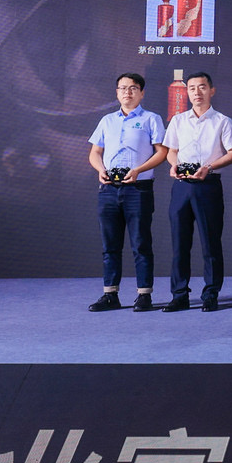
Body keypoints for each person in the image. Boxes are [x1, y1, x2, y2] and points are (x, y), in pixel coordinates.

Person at [86, 73, 168, 311]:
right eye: (122, 88)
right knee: (110, 245)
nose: (127, 92)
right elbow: (95, 153)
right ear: (117, 93)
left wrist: (138, 170)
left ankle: (144, 295)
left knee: (140, 243)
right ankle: (110, 294)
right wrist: (101, 170)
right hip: (109, 189)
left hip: (138, 188)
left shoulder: (151, 119)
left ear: (142, 93)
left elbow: (162, 152)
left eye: (133, 88)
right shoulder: (107, 120)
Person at [161, 72, 232, 312]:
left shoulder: (222, 121)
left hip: (208, 185)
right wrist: (173, 165)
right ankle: (179, 295)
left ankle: (211, 294)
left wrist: (209, 167)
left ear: (211, 90)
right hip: (182, 186)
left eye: (202, 87)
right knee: (179, 243)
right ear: (187, 92)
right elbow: (171, 151)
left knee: (210, 243)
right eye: (192, 88)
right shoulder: (178, 120)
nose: (197, 92)